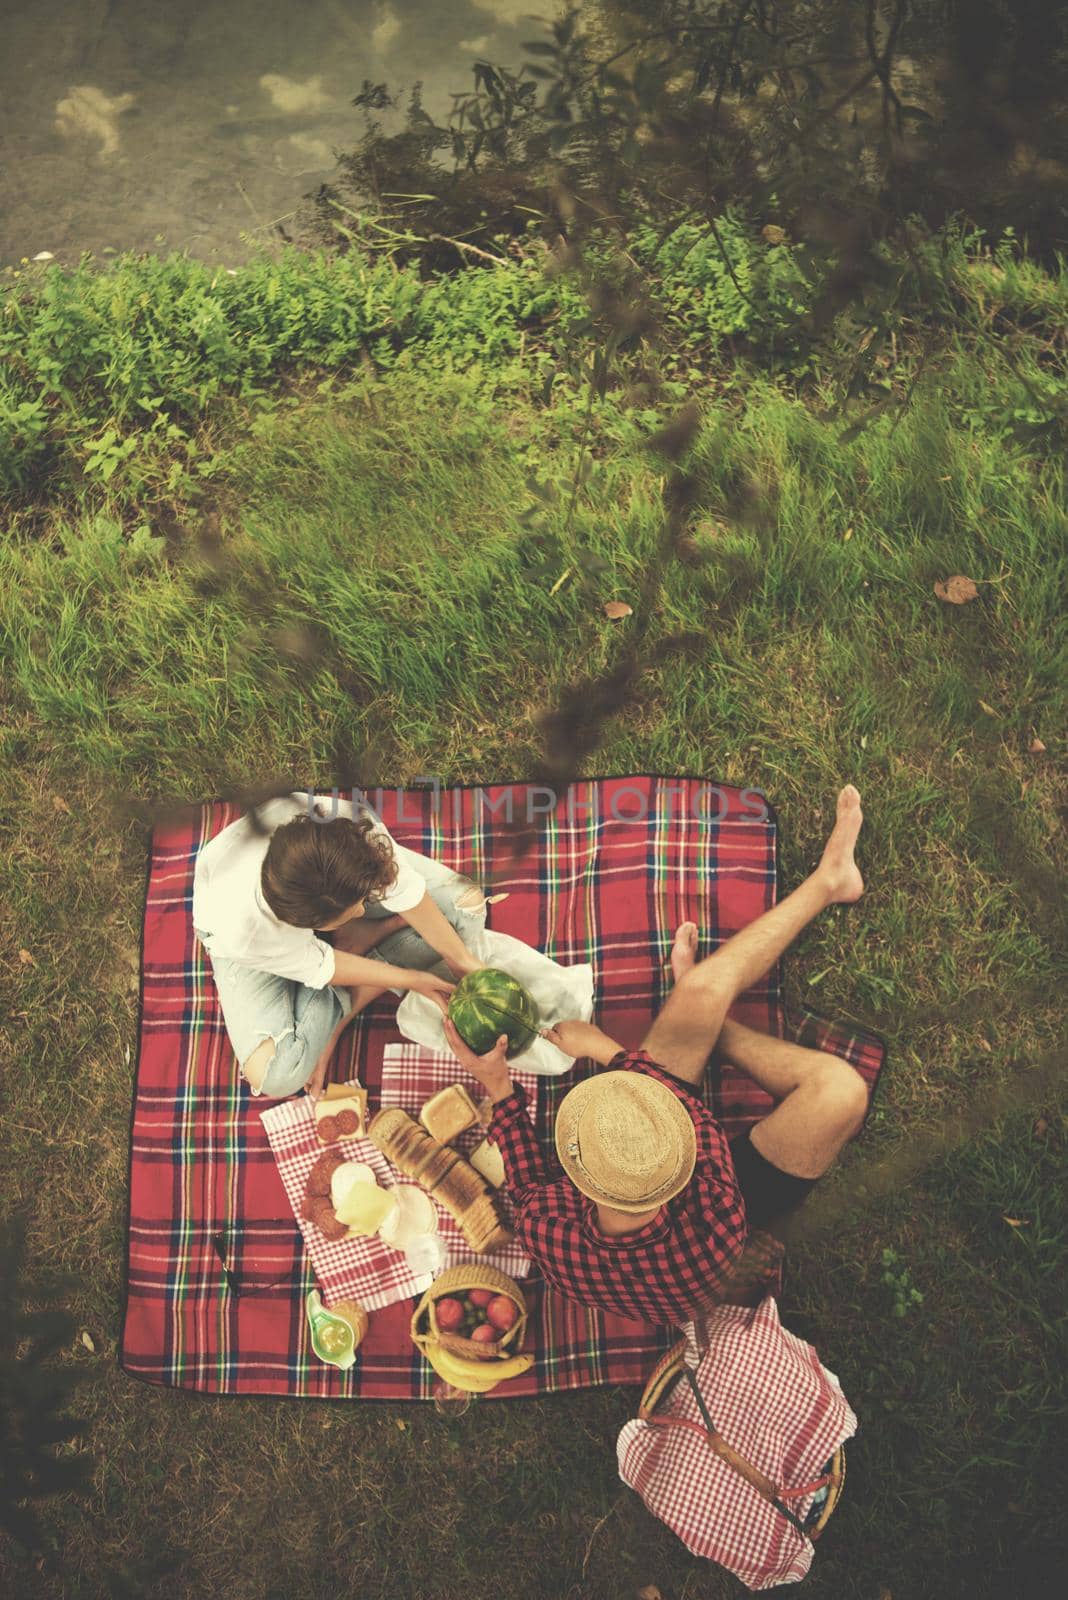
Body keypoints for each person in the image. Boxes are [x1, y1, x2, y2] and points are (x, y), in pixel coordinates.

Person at [442, 785, 870, 1327]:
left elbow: (527, 1184)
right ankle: (829, 884)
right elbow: (667, 1101)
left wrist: (500, 1087)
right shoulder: (716, 1199)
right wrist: (603, 1048)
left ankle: (818, 896)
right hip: (729, 1228)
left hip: (688, 1259)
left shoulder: (550, 1235)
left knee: (701, 1004)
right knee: (842, 1091)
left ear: (575, 1170)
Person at [192, 791, 481, 1101]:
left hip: (317, 899)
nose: (362, 909)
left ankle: (357, 964)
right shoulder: (245, 933)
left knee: (467, 907)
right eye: (356, 911)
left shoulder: (351, 830)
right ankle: (360, 962)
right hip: (249, 940)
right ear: (309, 927)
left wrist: (462, 960)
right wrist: (413, 979)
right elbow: (321, 966)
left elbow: (403, 890)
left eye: (362, 903)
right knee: (276, 1075)